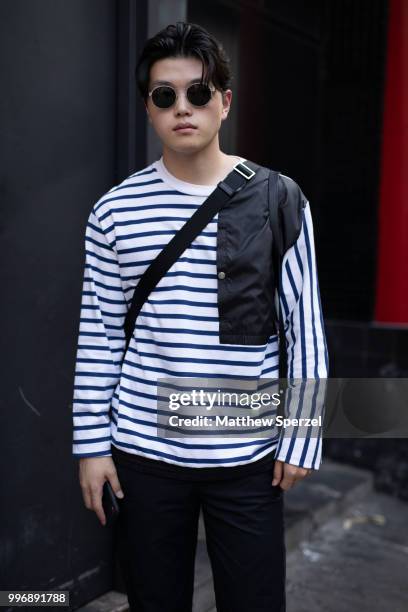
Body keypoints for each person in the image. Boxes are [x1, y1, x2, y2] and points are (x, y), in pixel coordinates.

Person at [72, 21, 329, 612]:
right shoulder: (114, 211)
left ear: (224, 100)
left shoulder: (278, 198)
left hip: (249, 455)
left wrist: (303, 434)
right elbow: (101, 332)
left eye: (199, 92)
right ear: (148, 107)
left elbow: (305, 326)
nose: (182, 107)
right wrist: (91, 444)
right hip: (143, 450)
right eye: (165, 95)